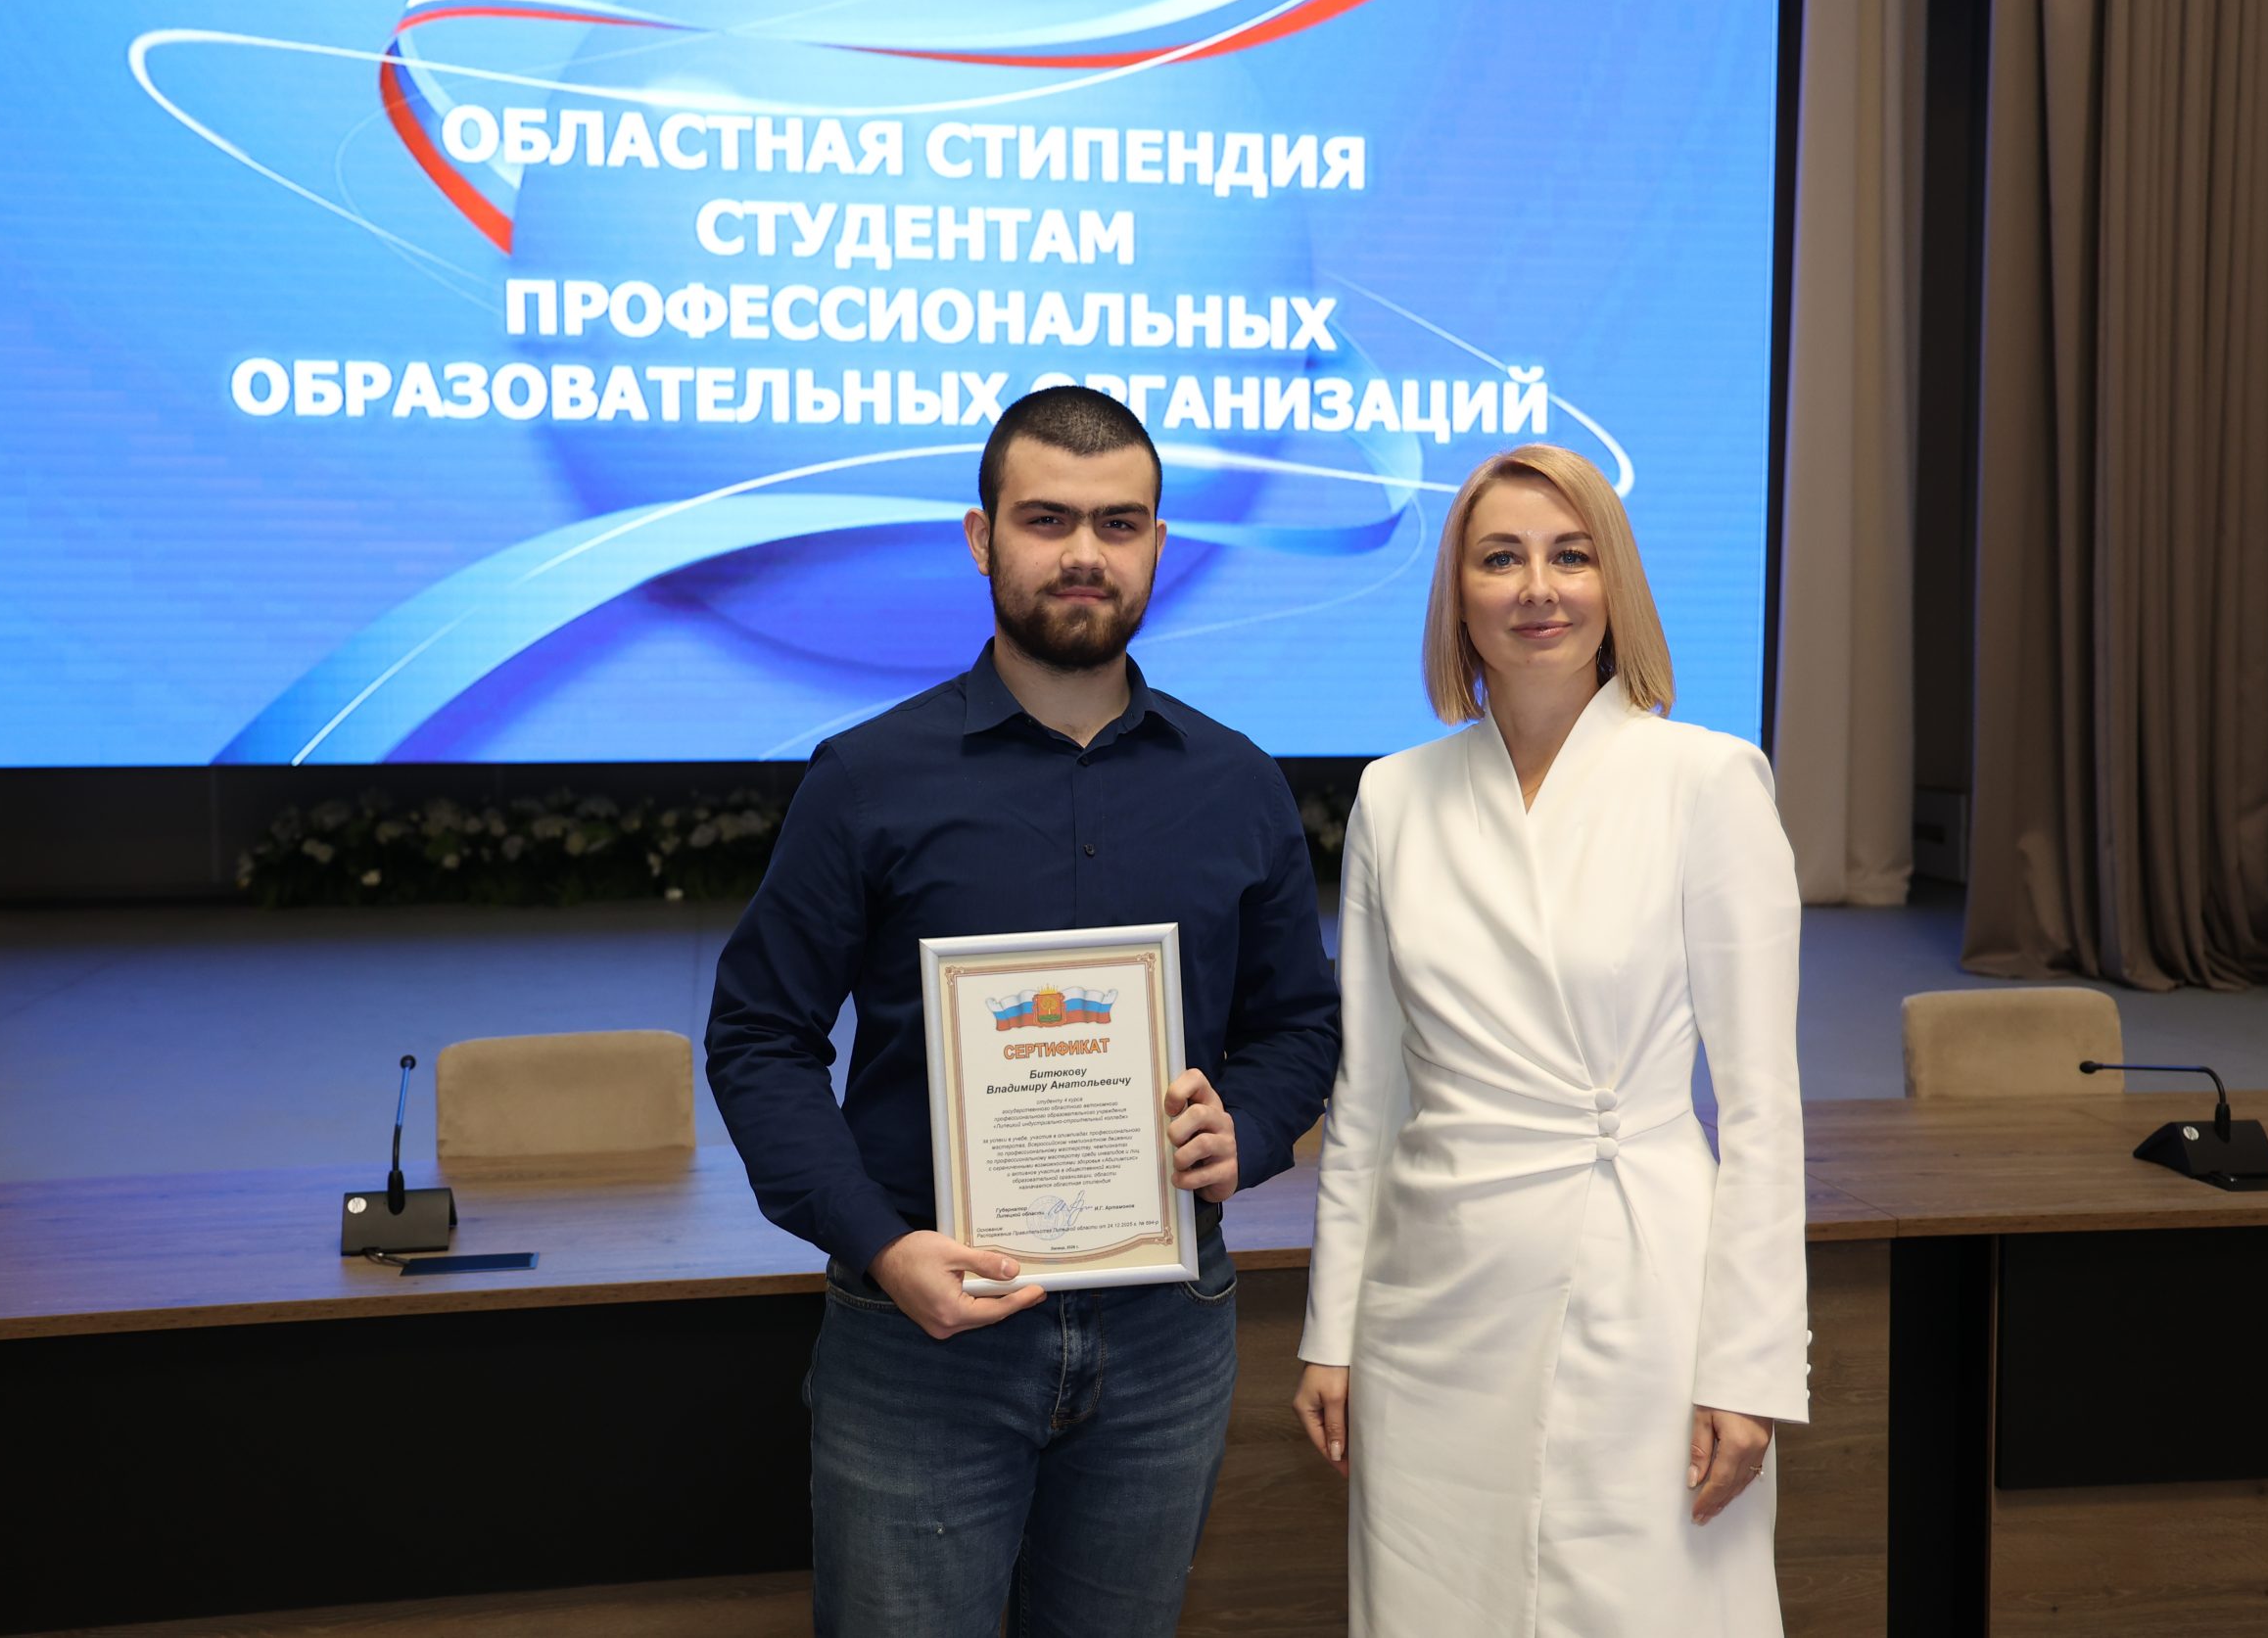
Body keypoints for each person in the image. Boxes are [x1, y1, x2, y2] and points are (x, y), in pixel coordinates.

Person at [706, 385, 1341, 1637]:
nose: (1084, 553)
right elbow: (760, 1037)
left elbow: (1298, 1027)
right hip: (919, 1339)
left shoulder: (1236, 784)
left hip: (1168, 1335)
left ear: (1158, 544)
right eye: (1047, 520)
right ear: (981, 537)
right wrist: (880, 1246)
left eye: (1119, 523)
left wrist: (1250, 1130)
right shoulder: (867, 780)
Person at [1292, 445, 1810, 1635]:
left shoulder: (1708, 781)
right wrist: (1332, 1333)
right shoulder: (1394, 798)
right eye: (1500, 558)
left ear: (1613, 582)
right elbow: (1366, 1103)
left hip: (1641, 1290)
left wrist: (1748, 1364)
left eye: (1570, 556)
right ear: (1457, 594)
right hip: (1428, 1306)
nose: (1538, 588)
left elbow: (1761, 1109)